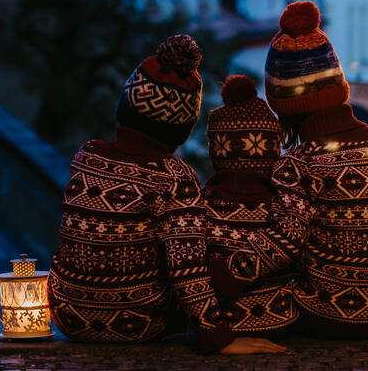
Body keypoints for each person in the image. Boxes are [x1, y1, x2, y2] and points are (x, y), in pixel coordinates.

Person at [46, 35, 283, 354]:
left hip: (66, 315)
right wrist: (218, 338)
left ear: (127, 104)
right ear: (182, 126)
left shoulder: (87, 157)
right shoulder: (174, 177)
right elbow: (188, 270)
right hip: (135, 324)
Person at [210, 1, 368, 339]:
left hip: (333, 315)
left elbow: (284, 242)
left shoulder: (300, 163)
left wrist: (223, 275)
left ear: (285, 106)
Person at [201, 75, 296, 340]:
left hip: (220, 330)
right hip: (281, 328)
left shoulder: (199, 207)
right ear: (272, 149)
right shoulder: (287, 204)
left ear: (216, 150)